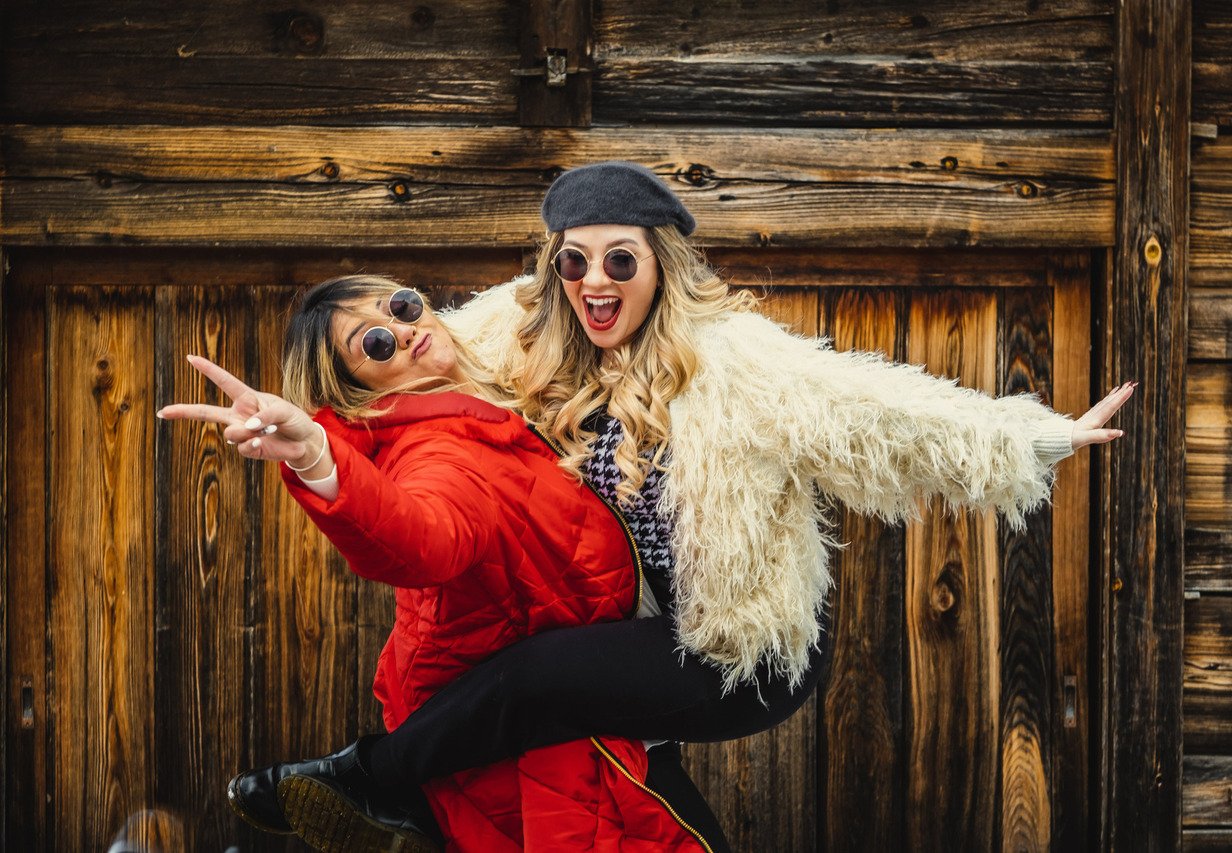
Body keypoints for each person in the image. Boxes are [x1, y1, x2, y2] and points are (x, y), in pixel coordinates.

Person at [225, 162, 1135, 851]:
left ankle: (374, 780)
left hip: (739, 648)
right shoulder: (525, 329)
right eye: (575, 262)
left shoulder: (735, 361)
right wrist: (316, 444)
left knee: (536, 681)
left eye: (621, 260)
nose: (596, 282)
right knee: (619, 780)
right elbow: (397, 381)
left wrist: (1032, 437)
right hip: (639, 630)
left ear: (661, 263)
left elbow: (877, 413)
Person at [157, 274, 725, 853]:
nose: (404, 331)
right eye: (375, 344)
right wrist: (316, 458)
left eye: (400, 306)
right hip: (540, 744)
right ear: (357, 390)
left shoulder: (493, 394)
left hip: (548, 707)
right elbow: (424, 538)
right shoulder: (438, 448)